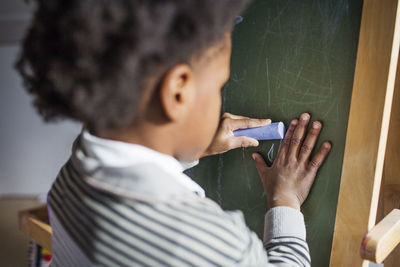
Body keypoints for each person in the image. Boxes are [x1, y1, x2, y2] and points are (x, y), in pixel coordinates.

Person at [17, 0, 331, 266]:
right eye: (220, 84)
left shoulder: (71, 179)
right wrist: (284, 200)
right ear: (178, 91)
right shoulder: (200, 240)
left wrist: (193, 147)